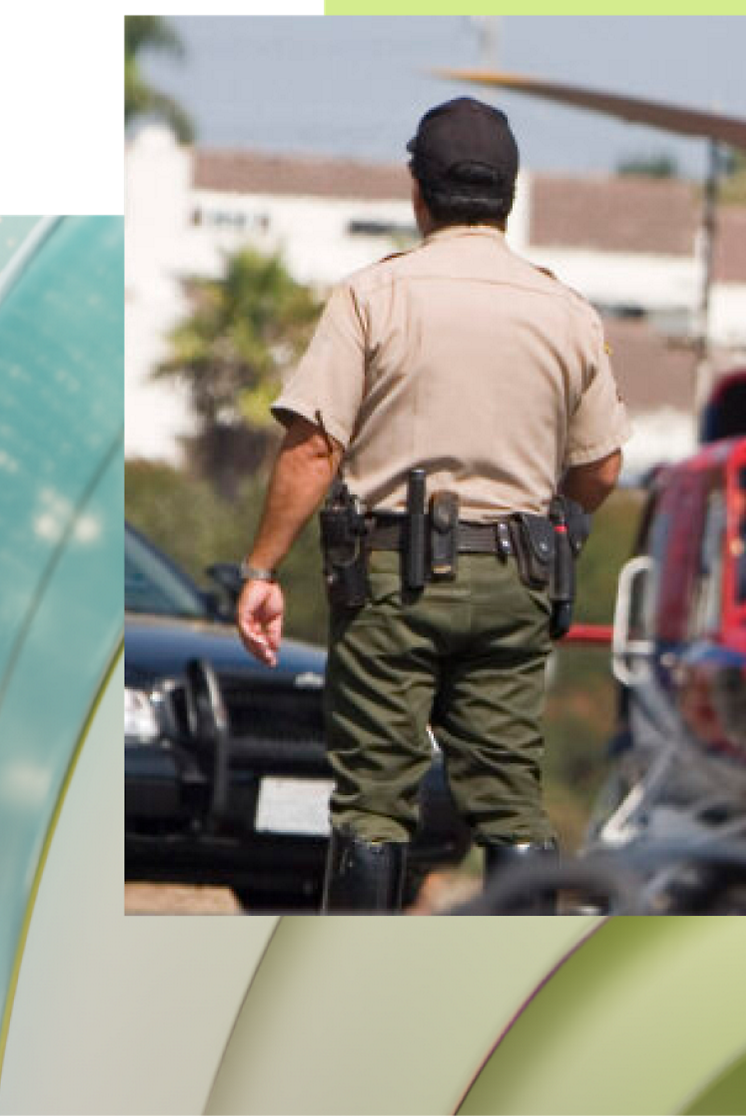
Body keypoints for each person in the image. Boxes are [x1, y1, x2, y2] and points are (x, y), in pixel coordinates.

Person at [233, 97, 630, 913]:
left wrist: (261, 566)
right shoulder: (566, 309)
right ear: (509, 197)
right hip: (518, 578)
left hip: (393, 581)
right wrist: (549, 521)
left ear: (417, 190)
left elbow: (313, 448)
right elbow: (602, 467)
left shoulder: (373, 296)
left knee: (375, 799)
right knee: (510, 799)